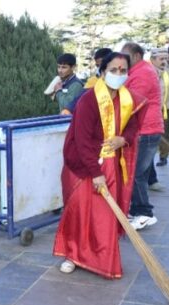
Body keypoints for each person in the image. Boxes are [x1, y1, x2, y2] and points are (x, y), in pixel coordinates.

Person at [53, 52, 145, 279]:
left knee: (104, 216)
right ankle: (72, 255)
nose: (118, 75)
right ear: (103, 73)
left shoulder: (128, 99)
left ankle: (101, 258)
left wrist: (123, 139)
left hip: (112, 164)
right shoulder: (88, 100)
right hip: (85, 167)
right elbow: (82, 141)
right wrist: (95, 173)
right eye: (113, 70)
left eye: (123, 71)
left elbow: (133, 126)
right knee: (79, 211)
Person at [122, 42, 164, 231]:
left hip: (146, 130)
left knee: (137, 174)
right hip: (143, 129)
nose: (123, 59)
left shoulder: (143, 73)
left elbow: (131, 101)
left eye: (126, 56)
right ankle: (137, 208)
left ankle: (145, 213)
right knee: (139, 172)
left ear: (137, 56)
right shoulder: (136, 71)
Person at [147, 48, 168, 191]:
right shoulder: (149, 74)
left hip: (157, 115)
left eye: (165, 59)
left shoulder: (162, 74)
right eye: (161, 59)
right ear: (152, 59)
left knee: (149, 152)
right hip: (147, 119)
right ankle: (151, 181)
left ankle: (152, 180)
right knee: (147, 152)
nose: (164, 62)